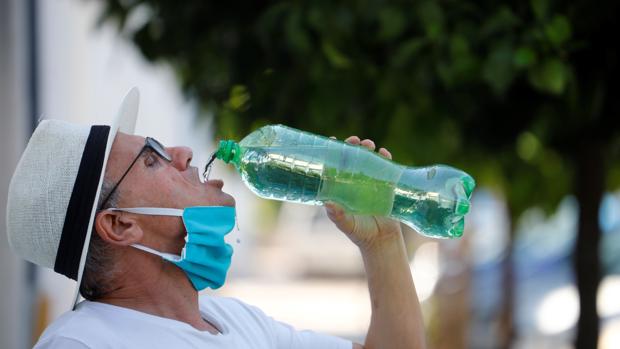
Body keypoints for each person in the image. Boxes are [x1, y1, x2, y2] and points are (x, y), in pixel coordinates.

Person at [6, 88, 426, 348]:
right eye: (152, 160)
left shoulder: (236, 322)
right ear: (120, 224)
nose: (183, 153)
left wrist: (382, 243)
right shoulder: (84, 343)